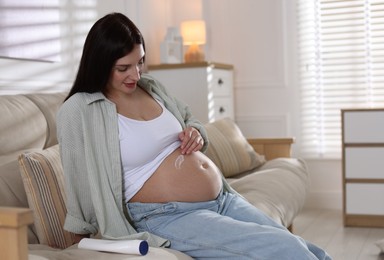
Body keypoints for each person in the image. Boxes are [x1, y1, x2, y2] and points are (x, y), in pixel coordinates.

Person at [57, 12, 331, 259]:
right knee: (287, 250)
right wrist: (79, 243)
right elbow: (78, 178)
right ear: (100, 63)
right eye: (123, 68)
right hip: (166, 217)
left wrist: (196, 133)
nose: (136, 74)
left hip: (223, 198)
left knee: (307, 249)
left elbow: (189, 118)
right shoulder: (81, 110)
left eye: (140, 62)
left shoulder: (151, 87)